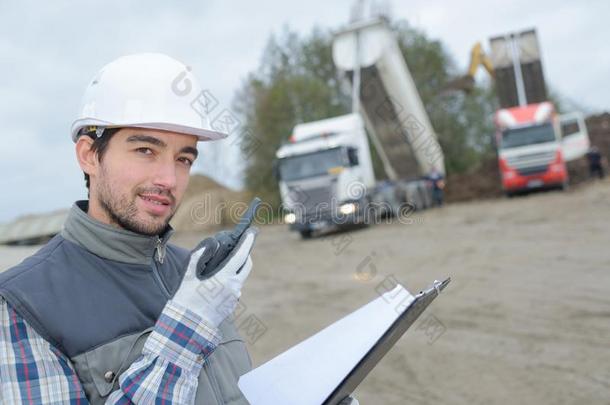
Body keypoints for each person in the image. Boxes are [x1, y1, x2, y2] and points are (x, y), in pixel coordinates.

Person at [0, 53, 358, 404]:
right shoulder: (25, 305)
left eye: (183, 158)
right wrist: (188, 327)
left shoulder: (193, 273)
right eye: (145, 150)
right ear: (89, 155)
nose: (169, 179)